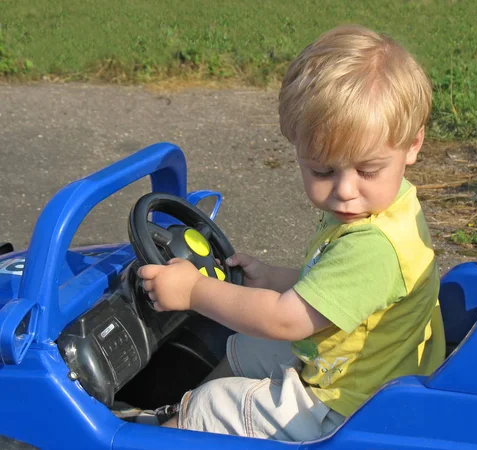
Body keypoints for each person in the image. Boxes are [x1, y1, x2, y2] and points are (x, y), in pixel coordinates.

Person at [136, 24, 445, 441]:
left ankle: (172, 431)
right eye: (322, 170)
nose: (344, 191)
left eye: (367, 170)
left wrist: (193, 292)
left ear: (413, 145)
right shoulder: (385, 205)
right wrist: (273, 278)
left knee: (212, 405)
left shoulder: (376, 245)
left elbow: (285, 320)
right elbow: (338, 284)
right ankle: (191, 412)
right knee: (250, 345)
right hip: (365, 371)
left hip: (349, 411)